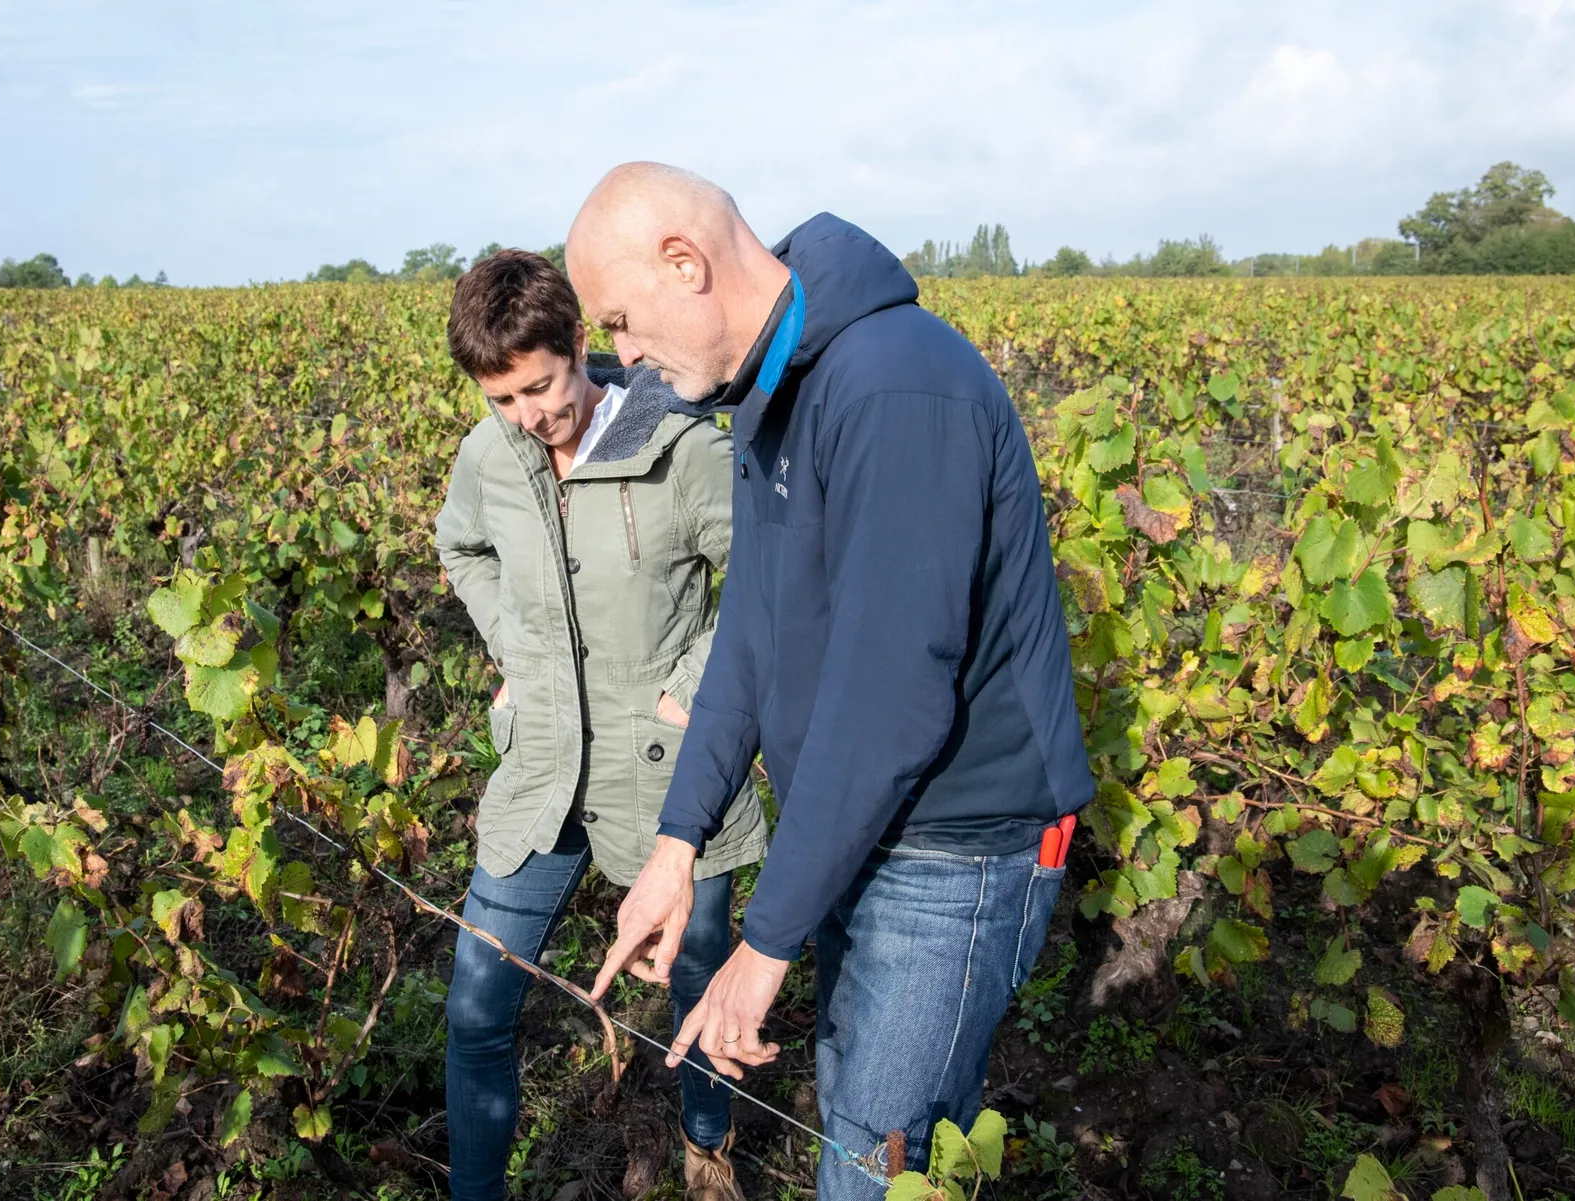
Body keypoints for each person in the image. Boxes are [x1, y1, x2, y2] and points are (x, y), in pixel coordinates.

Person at [568, 165, 1094, 1198]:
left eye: (623, 320)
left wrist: (763, 946)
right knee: (857, 1107)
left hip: (959, 847)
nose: (619, 356)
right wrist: (676, 848)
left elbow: (889, 699)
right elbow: (748, 644)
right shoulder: (770, 396)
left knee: (880, 1155)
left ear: (687, 264)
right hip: (869, 825)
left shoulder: (895, 385)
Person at [434, 248, 766, 1201]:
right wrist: (515, 646)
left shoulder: (686, 447)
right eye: (503, 400)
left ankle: (708, 1150)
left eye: (540, 386)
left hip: (669, 773)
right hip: (540, 767)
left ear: (581, 343)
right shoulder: (489, 456)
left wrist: (694, 685)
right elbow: (461, 547)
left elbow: (766, 579)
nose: (529, 417)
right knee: (477, 1007)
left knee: (697, 983)